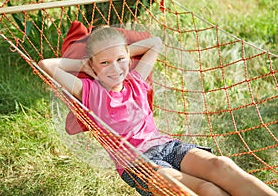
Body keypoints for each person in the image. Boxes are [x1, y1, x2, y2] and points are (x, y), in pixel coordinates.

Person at [38, 26, 277, 196]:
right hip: (136, 162)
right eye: (105, 63)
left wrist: (119, 52)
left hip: (167, 145)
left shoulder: (136, 79)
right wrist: (85, 64)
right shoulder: (90, 91)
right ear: (92, 65)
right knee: (201, 190)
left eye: (121, 59)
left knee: (221, 165)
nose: (115, 68)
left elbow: (155, 43)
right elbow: (47, 65)